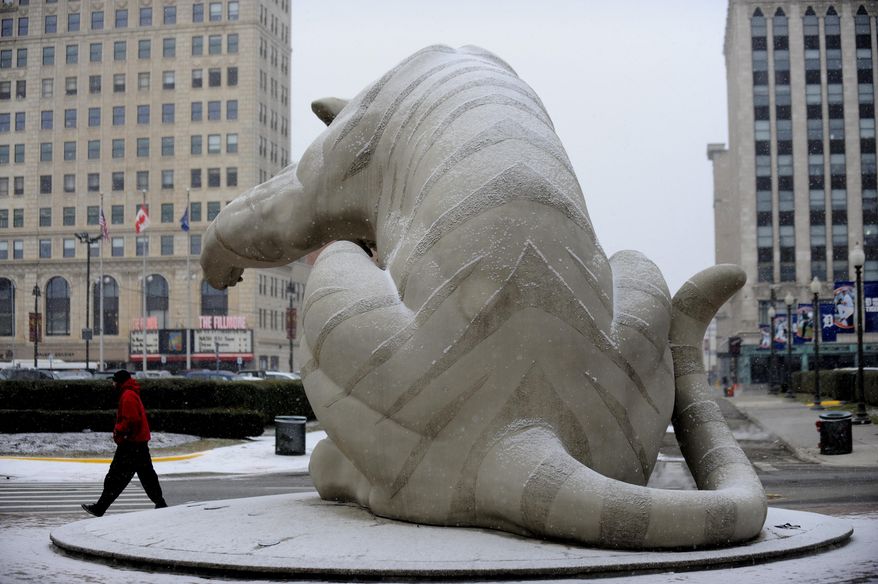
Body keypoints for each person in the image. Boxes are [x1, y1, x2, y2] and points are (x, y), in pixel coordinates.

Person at [81, 369, 168, 517]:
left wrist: (119, 431)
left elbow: (131, 420)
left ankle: (100, 508)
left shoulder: (127, 396)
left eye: (114, 381)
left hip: (131, 445)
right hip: (138, 444)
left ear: (120, 382)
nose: (112, 384)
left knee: (115, 477)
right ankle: (160, 503)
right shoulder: (130, 393)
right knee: (147, 476)